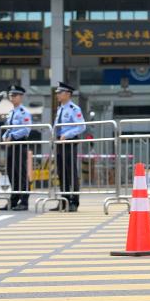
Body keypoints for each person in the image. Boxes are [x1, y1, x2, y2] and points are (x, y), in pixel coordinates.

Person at [54, 82, 85, 212]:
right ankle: (64, 200)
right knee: (61, 172)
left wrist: (67, 135)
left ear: (68, 94)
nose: (57, 95)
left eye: (60, 93)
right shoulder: (60, 109)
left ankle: (74, 201)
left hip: (69, 142)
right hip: (59, 143)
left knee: (71, 171)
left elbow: (81, 126)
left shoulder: (74, 109)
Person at [2, 84, 32, 211]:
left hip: (19, 144)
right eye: (11, 95)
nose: (12, 97)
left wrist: (12, 137)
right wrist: (4, 136)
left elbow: (26, 129)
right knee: (11, 172)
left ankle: (24, 201)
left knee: (21, 172)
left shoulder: (24, 112)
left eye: (15, 95)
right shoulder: (11, 112)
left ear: (21, 97)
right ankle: (14, 199)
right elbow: (8, 128)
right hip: (10, 145)